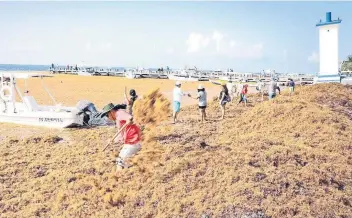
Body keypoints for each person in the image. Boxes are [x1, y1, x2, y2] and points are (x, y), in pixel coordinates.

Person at [101, 103, 141, 170]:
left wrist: (129, 120)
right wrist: (113, 140)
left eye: (107, 115)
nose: (108, 118)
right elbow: (121, 135)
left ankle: (119, 176)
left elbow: (131, 118)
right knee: (122, 162)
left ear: (111, 112)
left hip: (133, 141)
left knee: (120, 162)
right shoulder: (117, 118)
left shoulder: (120, 113)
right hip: (129, 142)